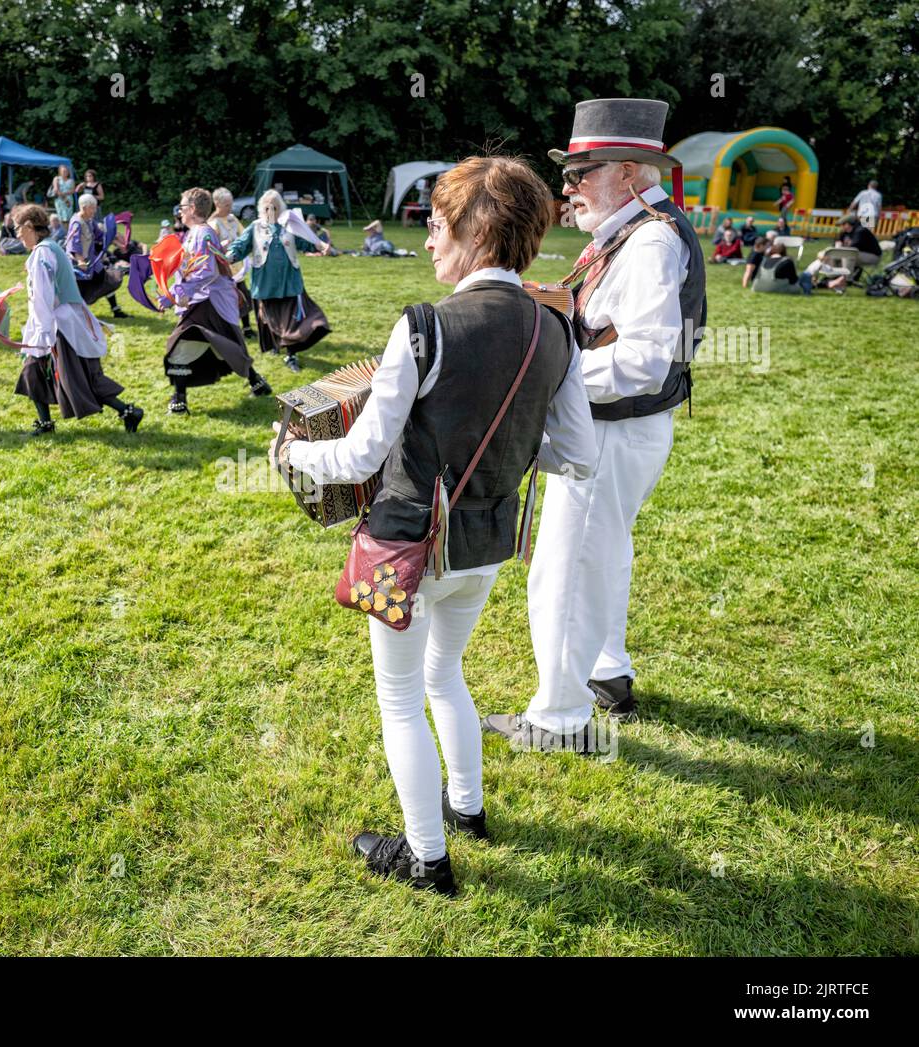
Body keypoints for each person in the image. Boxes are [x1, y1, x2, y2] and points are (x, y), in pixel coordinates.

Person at [273, 154, 596, 895]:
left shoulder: (424, 326)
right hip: (484, 549)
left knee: (399, 699)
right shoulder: (557, 332)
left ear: (479, 233)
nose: (427, 240)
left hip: (407, 547)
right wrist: (510, 441)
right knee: (446, 674)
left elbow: (361, 450)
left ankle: (427, 858)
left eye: (440, 226)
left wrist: (296, 450)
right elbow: (577, 454)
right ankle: (468, 809)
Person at [485, 97, 706, 746]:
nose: (568, 187)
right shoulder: (637, 232)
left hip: (612, 428)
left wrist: (548, 383)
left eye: (583, 173)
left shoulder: (651, 243)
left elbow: (642, 361)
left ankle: (558, 718)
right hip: (620, 429)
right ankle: (608, 672)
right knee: (601, 555)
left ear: (632, 176)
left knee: (566, 568)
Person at [8, 204, 143, 436]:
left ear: (30, 226)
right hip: (62, 321)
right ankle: (45, 424)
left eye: (18, 228)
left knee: (79, 377)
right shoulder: (48, 249)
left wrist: (42, 333)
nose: (17, 234)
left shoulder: (43, 253)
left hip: (58, 325)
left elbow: (43, 296)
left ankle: (128, 411)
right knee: (35, 370)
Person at [160, 187, 272, 413]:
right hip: (205, 299)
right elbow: (190, 268)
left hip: (210, 301)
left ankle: (179, 399)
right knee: (224, 344)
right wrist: (173, 290)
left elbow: (206, 271)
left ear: (192, 209)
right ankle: (257, 382)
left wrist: (179, 292)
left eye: (182, 207)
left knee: (181, 344)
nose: (179, 212)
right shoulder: (195, 233)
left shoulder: (202, 233)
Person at [226, 189, 331, 374]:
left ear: (281, 208)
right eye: (267, 207)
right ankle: (277, 345)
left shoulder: (290, 225)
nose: (270, 210)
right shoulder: (256, 227)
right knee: (272, 319)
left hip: (289, 282)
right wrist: (231, 255)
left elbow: (306, 241)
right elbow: (241, 246)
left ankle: (291, 354)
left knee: (292, 321)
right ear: (261, 208)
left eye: (274, 207)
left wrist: (320, 245)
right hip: (266, 284)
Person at [65, 194, 127, 318]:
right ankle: (76, 313)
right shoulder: (77, 223)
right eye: (92, 208)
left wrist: (116, 241)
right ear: (83, 207)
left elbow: (100, 235)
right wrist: (80, 260)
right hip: (80, 265)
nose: (94, 211)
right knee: (82, 290)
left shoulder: (89, 220)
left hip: (92, 261)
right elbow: (73, 243)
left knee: (106, 278)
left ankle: (115, 309)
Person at [209, 187, 254, 338]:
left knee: (244, 298)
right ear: (217, 203)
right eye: (226, 205)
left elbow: (245, 235)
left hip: (238, 269)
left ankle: (247, 328)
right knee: (230, 301)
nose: (230, 207)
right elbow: (211, 248)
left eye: (231, 204)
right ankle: (228, 331)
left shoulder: (233, 219)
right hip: (224, 271)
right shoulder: (212, 224)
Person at [798, 216, 882, 293]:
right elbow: (834, 247)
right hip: (853, 254)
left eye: (842, 225)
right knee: (832, 255)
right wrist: (825, 252)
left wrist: (839, 247)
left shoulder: (861, 231)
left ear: (847, 224)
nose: (840, 227)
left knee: (848, 255)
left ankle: (846, 280)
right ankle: (832, 277)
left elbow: (853, 247)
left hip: (872, 256)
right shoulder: (844, 233)